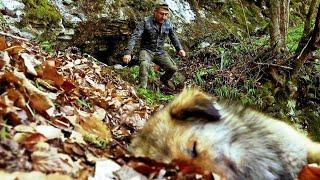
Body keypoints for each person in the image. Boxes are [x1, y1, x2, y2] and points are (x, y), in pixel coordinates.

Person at [122, 1, 186, 88]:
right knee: (144, 64)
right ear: (155, 12)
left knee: (173, 68)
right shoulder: (145, 22)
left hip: (160, 52)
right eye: (161, 14)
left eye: (166, 14)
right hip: (146, 50)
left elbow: (173, 37)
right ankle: (142, 88)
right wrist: (128, 53)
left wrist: (180, 49)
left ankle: (163, 80)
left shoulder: (168, 23)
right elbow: (134, 37)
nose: (164, 17)